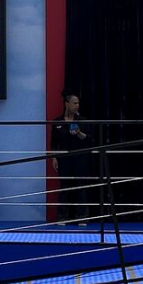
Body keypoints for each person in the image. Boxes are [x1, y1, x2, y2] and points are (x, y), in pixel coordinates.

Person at [50, 91, 95, 224]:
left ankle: (82, 217)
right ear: (67, 104)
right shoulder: (57, 122)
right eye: (74, 103)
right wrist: (54, 157)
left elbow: (90, 140)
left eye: (78, 103)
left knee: (80, 186)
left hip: (79, 158)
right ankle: (62, 217)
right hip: (64, 158)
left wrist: (79, 133)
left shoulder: (82, 121)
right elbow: (53, 143)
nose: (77, 106)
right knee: (64, 187)